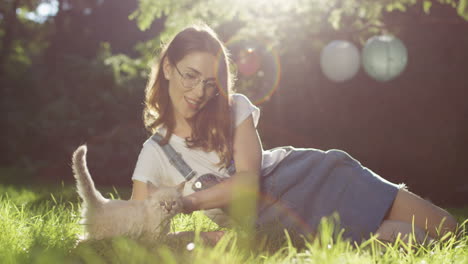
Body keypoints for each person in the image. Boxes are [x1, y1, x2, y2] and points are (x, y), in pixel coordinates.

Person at [130, 24, 458, 245]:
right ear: (169, 68)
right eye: (190, 75)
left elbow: (248, 181)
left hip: (310, 176)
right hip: (278, 221)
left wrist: (185, 203)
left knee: (448, 229)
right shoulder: (157, 152)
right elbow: (139, 225)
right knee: (412, 241)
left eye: (209, 82)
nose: (199, 91)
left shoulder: (233, 108)